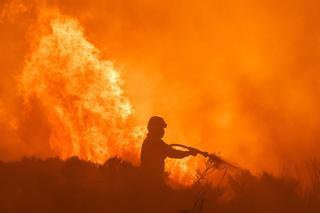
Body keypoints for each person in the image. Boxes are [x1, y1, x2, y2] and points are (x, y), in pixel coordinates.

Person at [140, 116, 198, 183]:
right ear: (155, 128)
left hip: (149, 178)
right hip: (151, 179)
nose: (162, 130)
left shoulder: (150, 140)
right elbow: (174, 153)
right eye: (161, 127)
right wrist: (189, 153)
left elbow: (170, 151)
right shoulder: (155, 142)